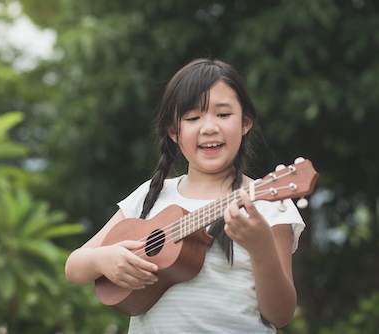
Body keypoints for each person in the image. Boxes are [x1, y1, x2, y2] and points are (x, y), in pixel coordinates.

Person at [64, 58, 305, 333]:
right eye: (192, 118)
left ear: (246, 122)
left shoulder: (267, 204)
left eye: (223, 114)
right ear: (174, 132)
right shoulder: (150, 196)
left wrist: (261, 248)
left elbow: (280, 314)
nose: (209, 127)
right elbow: (74, 267)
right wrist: (102, 260)